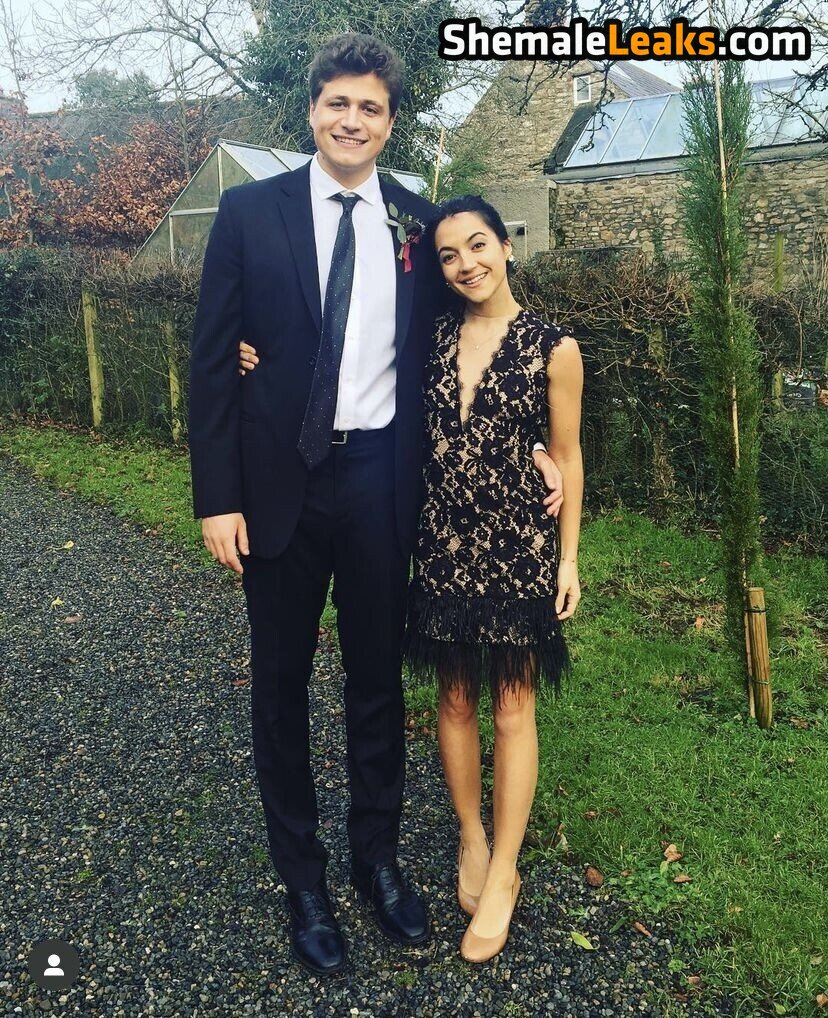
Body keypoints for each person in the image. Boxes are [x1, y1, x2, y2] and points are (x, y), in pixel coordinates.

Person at [192, 32, 563, 976]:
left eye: (370, 108)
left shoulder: (417, 220)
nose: (352, 120)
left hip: (380, 484)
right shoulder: (248, 211)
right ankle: (303, 882)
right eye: (338, 104)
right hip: (278, 484)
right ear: (312, 109)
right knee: (279, 688)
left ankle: (376, 860)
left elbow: (470, 331)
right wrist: (217, 497)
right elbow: (214, 357)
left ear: (390, 123)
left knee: (375, 683)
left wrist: (529, 439)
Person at [404, 195, 583, 963]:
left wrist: (568, 558)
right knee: (453, 699)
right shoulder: (428, 336)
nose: (465, 264)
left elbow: (567, 456)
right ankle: (471, 837)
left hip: (517, 547)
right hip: (443, 544)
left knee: (512, 708)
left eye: (477, 245)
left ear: (506, 247)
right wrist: (252, 349)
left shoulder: (554, 348)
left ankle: (505, 869)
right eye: (449, 254)